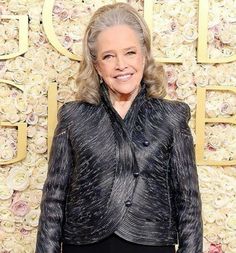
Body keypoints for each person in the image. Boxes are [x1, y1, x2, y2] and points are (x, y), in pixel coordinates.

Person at [35, 3, 203, 253]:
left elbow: (188, 202)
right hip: (84, 246)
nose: (121, 65)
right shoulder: (73, 117)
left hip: (150, 245)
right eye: (108, 56)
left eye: (130, 53)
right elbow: (53, 200)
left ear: (144, 55)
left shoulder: (172, 116)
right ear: (97, 65)